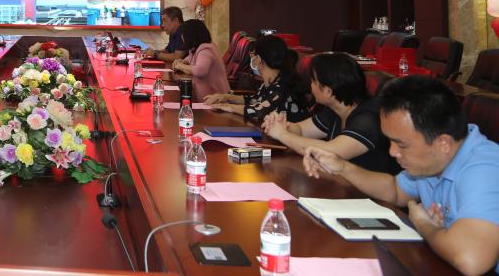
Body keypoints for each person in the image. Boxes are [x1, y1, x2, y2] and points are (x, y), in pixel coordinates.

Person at [305, 76, 499, 275]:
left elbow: (471, 260)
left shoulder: (486, 169)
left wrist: (423, 224)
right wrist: (343, 167)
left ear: (444, 144)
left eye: (401, 145)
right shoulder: (434, 160)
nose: (392, 152)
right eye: (390, 141)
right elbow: (395, 190)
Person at [262, 52, 398, 173]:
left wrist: (282, 134)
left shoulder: (368, 119)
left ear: (328, 91)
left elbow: (330, 151)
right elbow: (301, 130)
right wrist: (278, 125)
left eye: (313, 81)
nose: (310, 85)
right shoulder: (335, 109)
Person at [204, 35, 309, 123]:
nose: (251, 59)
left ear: (259, 59)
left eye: (253, 55)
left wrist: (228, 106)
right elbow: (254, 100)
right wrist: (225, 97)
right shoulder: (270, 83)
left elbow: (259, 111)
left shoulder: (280, 88)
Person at [171, 19, 229, 101]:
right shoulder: (195, 49)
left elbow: (200, 71)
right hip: (204, 99)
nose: (182, 37)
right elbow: (187, 61)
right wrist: (180, 62)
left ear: (190, 35)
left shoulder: (206, 49)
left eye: (183, 34)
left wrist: (180, 66)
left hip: (215, 100)